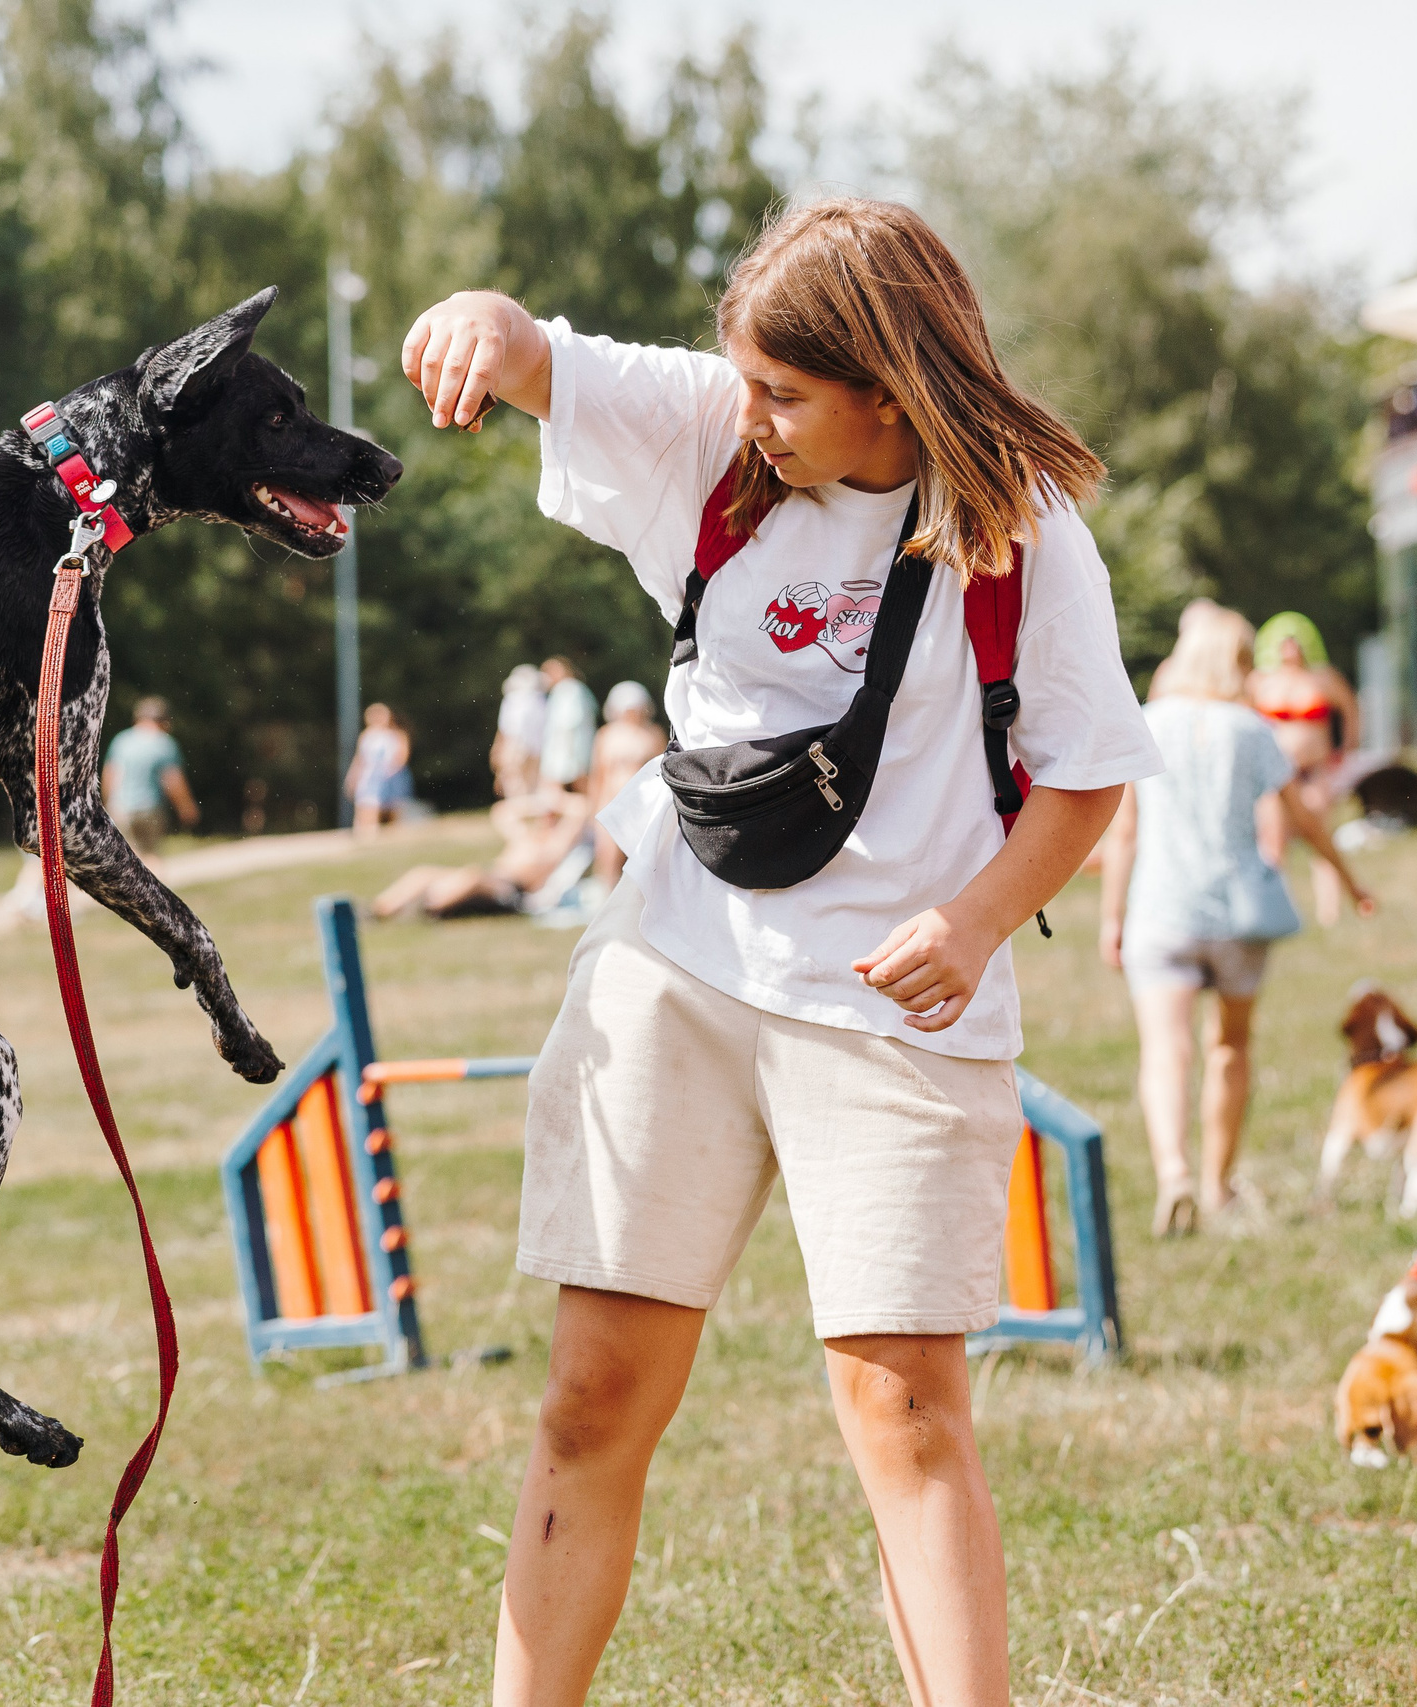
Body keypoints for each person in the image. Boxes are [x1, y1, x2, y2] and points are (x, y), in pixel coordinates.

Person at [402, 197, 1166, 1706]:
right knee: (591, 1398)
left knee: (906, 1410)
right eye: (742, 380)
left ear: (888, 385)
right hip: (675, 973)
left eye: (786, 394)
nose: (751, 418)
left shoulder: (1018, 527)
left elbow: (1085, 771)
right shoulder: (719, 437)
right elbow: (541, 354)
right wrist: (485, 325)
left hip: (888, 1005)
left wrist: (975, 917)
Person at [1100, 608, 1374, 1235]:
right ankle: (1216, 1186)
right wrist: (1351, 880)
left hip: (1161, 911)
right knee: (1230, 1047)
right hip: (1236, 916)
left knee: (1165, 1050)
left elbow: (1124, 834)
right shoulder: (1250, 731)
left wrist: (1112, 917)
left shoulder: (1147, 725)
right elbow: (1302, 817)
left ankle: (1172, 1174)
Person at [1248, 611, 1361, 925]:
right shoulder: (1259, 681)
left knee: (1320, 836)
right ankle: (1275, 911)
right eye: (1284, 644)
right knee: (1273, 840)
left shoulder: (1324, 678)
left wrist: (1344, 750)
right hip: (1274, 773)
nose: (1291, 650)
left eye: (1295, 643)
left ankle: (1329, 912)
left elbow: (1351, 711)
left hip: (1314, 770)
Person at [372, 789, 597, 921]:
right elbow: (502, 812)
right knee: (423, 873)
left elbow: (581, 808)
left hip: (513, 889)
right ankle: (377, 911)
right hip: (492, 873)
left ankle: (426, 909)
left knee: (472, 876)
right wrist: (537, 803)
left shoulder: (556, 845)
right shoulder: (526, 837)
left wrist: (558, 800)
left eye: (551, 815)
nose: (545, 818)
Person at [586, 682, 668, 888]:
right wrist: (593, 807)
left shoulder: (653, 734)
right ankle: (605, 897)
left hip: (644, 803)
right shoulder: (606, 735)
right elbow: (598, 774)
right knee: (608, 854)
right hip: (612, 800)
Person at [101, 697, 199, 856]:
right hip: (150, 808)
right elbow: (173, 780)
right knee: (152, 855)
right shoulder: (164, 743)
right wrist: (186, 807)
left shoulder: (121, 740)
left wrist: (108, 805)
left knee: (129, 858)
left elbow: (110, 775)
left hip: (121, 808)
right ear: (164, 721)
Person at [344, 703, 412, 839]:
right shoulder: (366, 736)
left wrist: (390, 772)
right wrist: (352, 778)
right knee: (367, 806)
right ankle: (366, 836)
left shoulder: (396, 735)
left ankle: (393, 837)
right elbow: (360, 759)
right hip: (371, 777)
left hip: (391, 776)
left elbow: (402, 756)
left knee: (393, 809)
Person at [537, 658, 597, 791]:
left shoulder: (569, 690)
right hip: (570, 751)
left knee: (567, 788)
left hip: (568, 751)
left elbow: (567, 725)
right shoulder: (571, 689)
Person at [493, 664, 549, 798]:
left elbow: (507, 729)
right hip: (538, 749)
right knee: (532, 785)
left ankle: (516, 813)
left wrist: (498, 751)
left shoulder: (512, 700)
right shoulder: (541, 701)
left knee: (515, 786)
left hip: (516, 748)